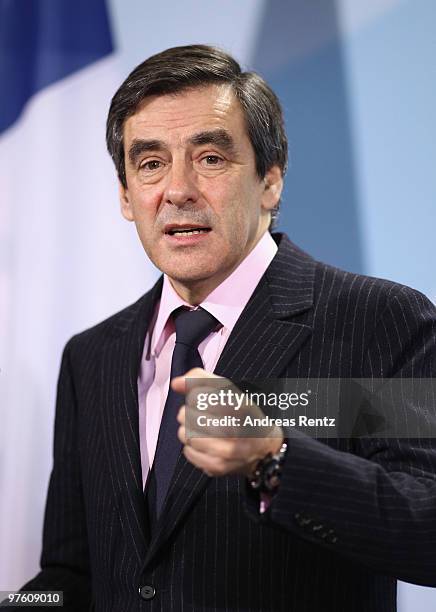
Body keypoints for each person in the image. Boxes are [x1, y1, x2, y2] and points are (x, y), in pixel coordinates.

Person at [15, 44, 436, 611]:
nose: (178, 190)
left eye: (210, 158)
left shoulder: (376, 320)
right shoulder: (93, 357)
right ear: (125, 195)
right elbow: (73, 574)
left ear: (270, 181)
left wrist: (275, 458)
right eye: (150, 163)